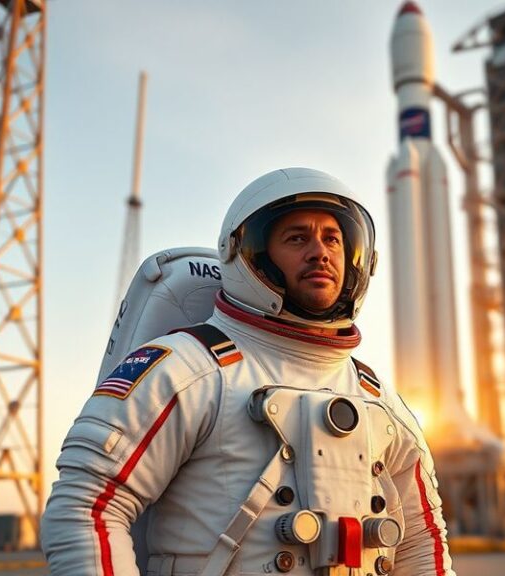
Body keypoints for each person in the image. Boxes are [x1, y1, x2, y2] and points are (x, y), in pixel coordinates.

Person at [41, 167, 456, 576]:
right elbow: (87, 505)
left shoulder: (377, 397)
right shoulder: (189, 368)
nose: (320, 251)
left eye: (332, 238)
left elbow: (421, 540)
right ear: (248, 255)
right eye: (297, 238)